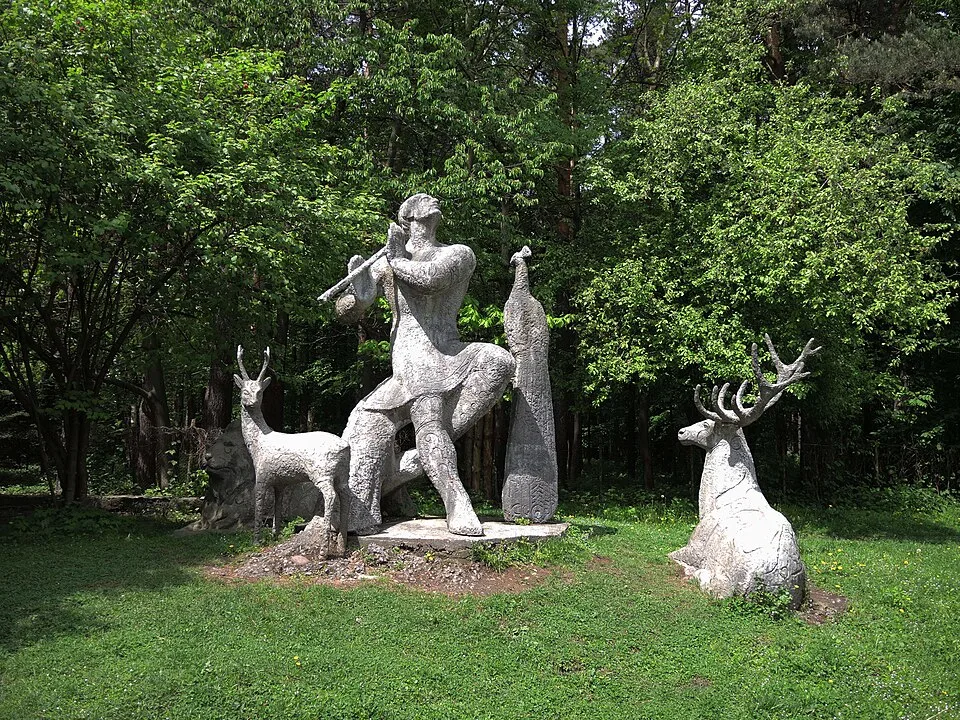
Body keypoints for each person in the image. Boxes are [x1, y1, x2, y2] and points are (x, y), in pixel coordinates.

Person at [335, 194, 515, 536]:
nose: (430, 199)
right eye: (420, 200)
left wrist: (395, 260)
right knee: (408, 414)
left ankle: (428, 464)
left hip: (448, 351)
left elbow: (431, 279)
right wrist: (358, 298)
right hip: (411, 358)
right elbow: (346, 311)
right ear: (408, 216)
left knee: (498, 359)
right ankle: (452, 501)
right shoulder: (386, 262)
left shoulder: (457, 254)